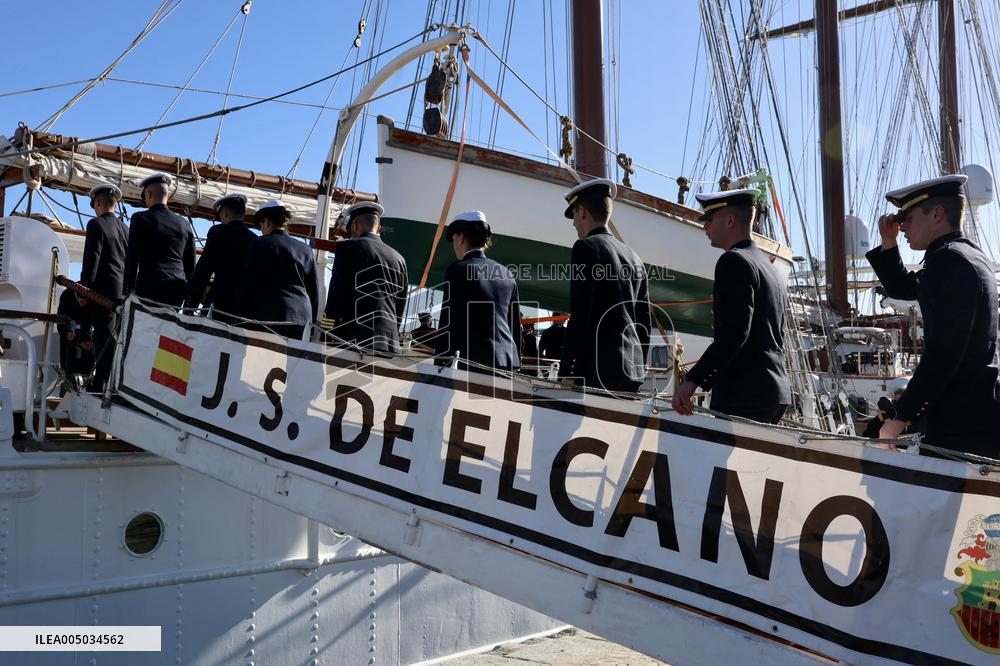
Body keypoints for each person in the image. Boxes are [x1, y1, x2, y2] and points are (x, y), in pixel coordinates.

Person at [866, 174, 999, 458]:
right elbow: (905, 289)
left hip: (961, 425)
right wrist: (888, 243)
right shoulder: (966, 256)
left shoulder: (949, 261)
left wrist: (900, 416)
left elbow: (943, 354)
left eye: (907, 218)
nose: (901, 227)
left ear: (937, 213)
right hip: (975, 416)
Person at [672, 189, 791, 423]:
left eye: (709, 219)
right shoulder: (769, 267)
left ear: (729, 220)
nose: (705, 225)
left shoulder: (733, 261)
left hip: (745, 394)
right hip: (773, 391)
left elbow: (735, 333)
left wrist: (692, 381)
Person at [559, 179, 651, 393]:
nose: (574, 224)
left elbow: (581, 315)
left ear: (581, 211)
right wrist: (638, 364)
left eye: (573, 215)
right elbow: (643, 322)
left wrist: (569, 373)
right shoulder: (635, 257)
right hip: (630, 372)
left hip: (597, 372)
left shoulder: (586, 247)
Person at [435, 211, 522, 371]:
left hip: (473, 363)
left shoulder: (458, 270)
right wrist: (516, 362)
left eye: (454, 239)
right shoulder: (506, 273)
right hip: (508, 362)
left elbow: (449, 321)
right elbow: (514, 325)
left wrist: (440, 363)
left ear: (460, 237)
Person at [325, 202, 407, 352]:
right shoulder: (399, 259)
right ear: (379, 228)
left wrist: (327, 333)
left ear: (355, 225)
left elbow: (336, 297)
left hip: (352, 339)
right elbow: (399, 306)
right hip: (388, 343)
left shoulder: (347, 249)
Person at [240, 200, 321, 339]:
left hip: (269, 317)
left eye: (260, 225)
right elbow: (313, 291)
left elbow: (247, 284)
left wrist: (240, 317)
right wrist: (312, 325)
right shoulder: (306, 250)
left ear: (266, 221)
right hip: (302, 319)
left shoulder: (258, 244)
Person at [79, 182, 129, 390]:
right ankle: (115, 383)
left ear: (97, 202)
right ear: (115, 205)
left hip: (103, 295)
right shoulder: (127, 230)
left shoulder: (96, 225)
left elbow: (92, 260)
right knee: (119, 340)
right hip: (123, 295)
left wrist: (84, 290)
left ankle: (101, 383)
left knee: (103, 338)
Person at [123, 173, 195, 306]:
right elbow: (190, 266)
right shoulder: (184, 224)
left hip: (149, 287)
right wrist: (188, 295)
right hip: (177, 289)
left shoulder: (140, 219)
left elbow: (132, 258)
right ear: (168, 195)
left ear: (149, 194)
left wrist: (127, 291)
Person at [187, 193, 256, 323]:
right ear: (243, 214)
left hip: (219, 305)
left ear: (224, 213)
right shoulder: (255, 239)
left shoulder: (218, 232)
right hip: (244, 311)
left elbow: (204, 270)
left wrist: (190, 305)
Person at [56, 288, 94, 390]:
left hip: (89, 337)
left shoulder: (94, 294)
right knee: (70, 371)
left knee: (88, 371)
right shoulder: (68, 294)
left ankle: (87, 392)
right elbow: (61, 317)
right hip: (72, 337)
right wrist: (66, 332)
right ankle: (66, 394)